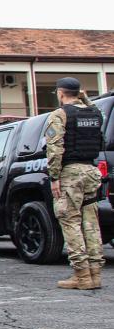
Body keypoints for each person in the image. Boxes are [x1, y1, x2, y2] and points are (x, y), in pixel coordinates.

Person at [47, 78, 105, 290]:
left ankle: (81, 275)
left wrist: (54, 177)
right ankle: (95, 274)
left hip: (71, 173)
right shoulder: (95, 113)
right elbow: (94, 108)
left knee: (70, 220)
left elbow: (54, 149)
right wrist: (84, 96)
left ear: (61, 93)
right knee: (91, 222)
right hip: (91, 170)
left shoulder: (60, 114)